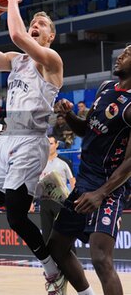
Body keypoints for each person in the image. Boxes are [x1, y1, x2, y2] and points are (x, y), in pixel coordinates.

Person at [0, 0, 66, 294]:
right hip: (9, 137)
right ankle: (33, 193)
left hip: (31, 139)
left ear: (50, 36)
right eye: (33, 21)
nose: (35, 25)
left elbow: (16, 33)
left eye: (41, 24)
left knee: (15, 218)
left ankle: (52, 271)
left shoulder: (51, 62)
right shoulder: (16, 61)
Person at [48, 45, 131, 295]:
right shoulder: (105, 87)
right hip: (84, 183)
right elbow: (87, 130)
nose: (121, 56)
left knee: (101, 259)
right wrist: (69, 115)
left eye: (128, 53)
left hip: (109, 188)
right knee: (57, 247)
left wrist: (100, 194)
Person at [36, 136, 75, 244]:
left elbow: (73, 183)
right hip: (44, 201)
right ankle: (49, 259)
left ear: (57, 145)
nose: (48, 146)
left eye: (51, 143)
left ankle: (70, 257)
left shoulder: (65, 162)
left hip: (60, 202)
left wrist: (73, 201)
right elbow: (36, 184)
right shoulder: (40, 163)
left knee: (64, 232)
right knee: (46, 234)